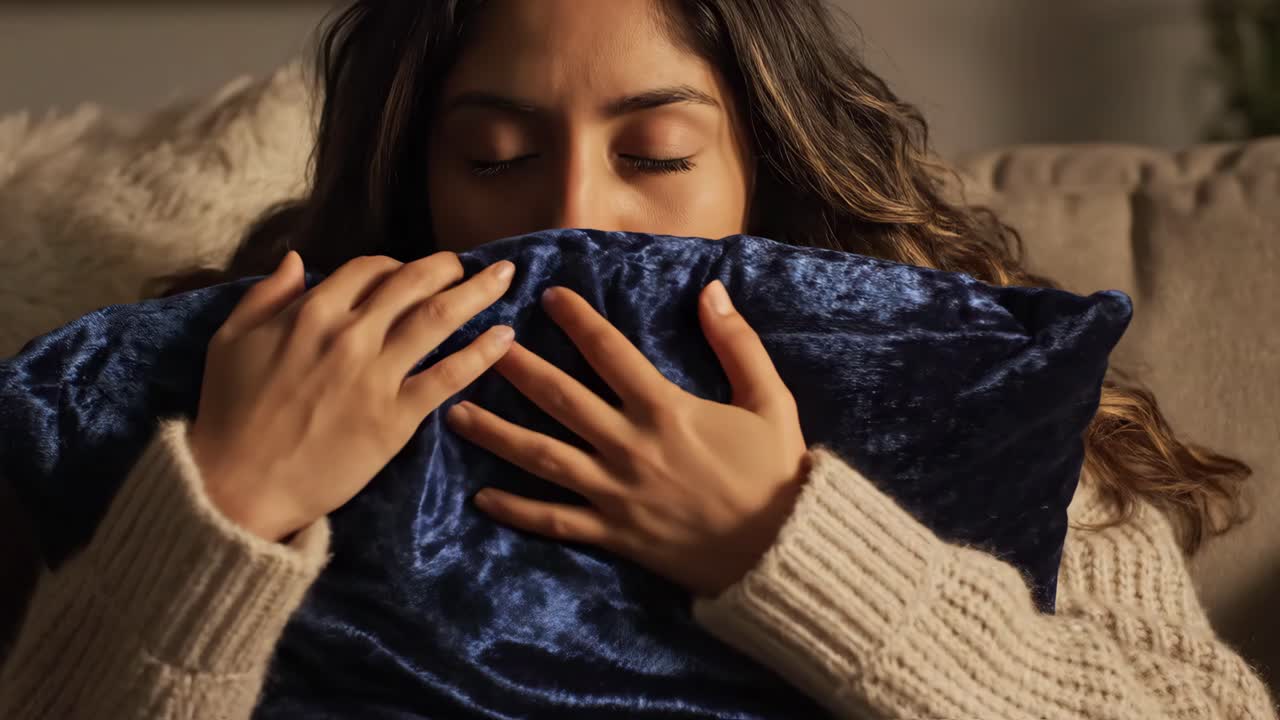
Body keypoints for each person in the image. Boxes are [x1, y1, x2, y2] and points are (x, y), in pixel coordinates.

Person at [1, 0, 1275, 718]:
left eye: (654, 155)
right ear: (413, 179)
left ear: (762, 165)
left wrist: (787, 543)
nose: (573, 211)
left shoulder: (959, 380)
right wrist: (228, 504)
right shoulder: (232, 378)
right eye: (492, 158)